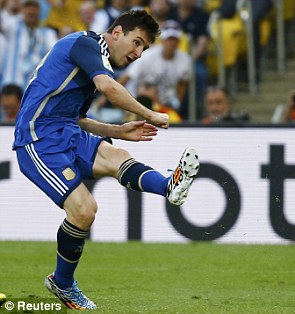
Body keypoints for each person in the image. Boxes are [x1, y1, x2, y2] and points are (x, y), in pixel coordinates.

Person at [11, 10, 199, 310]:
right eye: (136, 42)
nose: (138, 53)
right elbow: (110, 89)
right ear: (116, 33)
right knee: (85, 210)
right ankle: (62, 283)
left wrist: (117, 131)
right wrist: (149, 113)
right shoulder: (87, 44)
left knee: (117, 155)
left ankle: (169, 187)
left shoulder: (95, 62)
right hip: (38, 138)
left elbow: (79, 118)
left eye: (144, 48)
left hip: (67, 131)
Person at [118, 20, 192, 112]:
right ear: (163, 40)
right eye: (168, 39)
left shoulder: (185, 60)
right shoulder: (147, 56)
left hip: (166, 103)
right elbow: (127, 76)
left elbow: (182, 84)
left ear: (179, 41)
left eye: (174, 39)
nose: (171, 43)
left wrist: (177, 107)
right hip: (137, 100)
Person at [1, 0, 57, 89]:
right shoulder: (13, 25)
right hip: (12, 81)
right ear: (22, 11)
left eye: (33, 11)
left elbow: (55, 53)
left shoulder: (48, 33)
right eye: (28, 10)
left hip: (34, 84)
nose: (31, 12)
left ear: (39, 12)